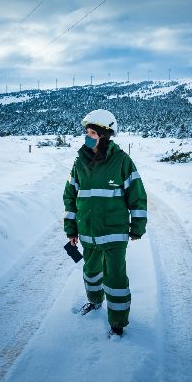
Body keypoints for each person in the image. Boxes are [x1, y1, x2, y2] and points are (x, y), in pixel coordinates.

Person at [62, 109, 148, 337]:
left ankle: (118, 323)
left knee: (115, 278)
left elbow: (137, 195)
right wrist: (71, 229)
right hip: (88, 232)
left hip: (114, 235)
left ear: (105, 135)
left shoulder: (122, 161)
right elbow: (70, 197)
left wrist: (137, 227)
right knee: (90, 272)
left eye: (92, 132)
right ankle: (94, 300)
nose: (88, 136)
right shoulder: (79, 162)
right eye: (87, 132)